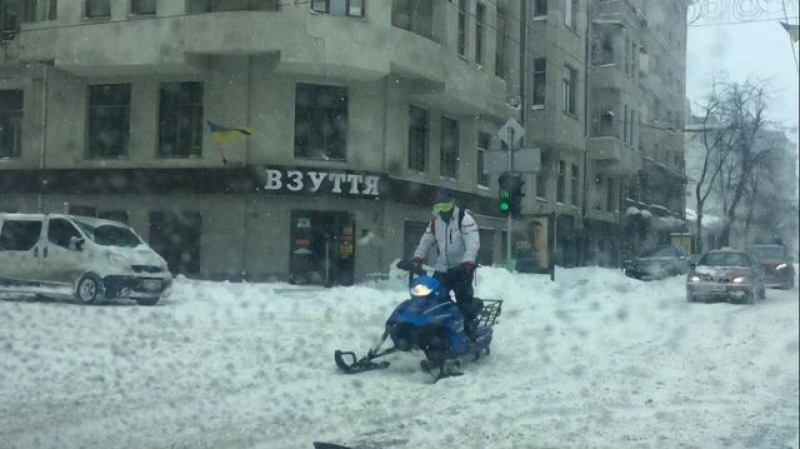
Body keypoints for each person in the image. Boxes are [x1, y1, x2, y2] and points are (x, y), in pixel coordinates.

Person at [412, 190, 481, 340]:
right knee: (434, 297)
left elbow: (473, 242)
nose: (442, 211)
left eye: (445, 207)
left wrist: (468, 261)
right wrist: (418, 257)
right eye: (439, 208)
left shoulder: (464, 218)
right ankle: (439, 326)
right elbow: (426, 240)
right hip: (442, 267)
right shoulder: (435, 222)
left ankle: (470, 330)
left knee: (464, 300)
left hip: (461, 268)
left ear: (452, 205)